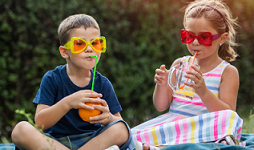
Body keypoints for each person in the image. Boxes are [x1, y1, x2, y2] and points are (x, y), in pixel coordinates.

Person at [128, 0, 243, 150]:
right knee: (130, 134)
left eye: (204, 37)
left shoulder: (227, 72)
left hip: (203, 127)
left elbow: (226, 114)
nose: (195, 42)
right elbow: (161, 106)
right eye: (189, 36)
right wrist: (161, 85)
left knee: (231, 117)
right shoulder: (180, 65)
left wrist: (203, 91)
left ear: (222, 38)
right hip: (175, 125)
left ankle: (160, 147)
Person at [11, 14, 131, 150]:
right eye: (80, 44)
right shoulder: (53, 78)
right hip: (55, 143)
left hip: (92, 143)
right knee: (20, 129)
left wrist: (107, 118)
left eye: (95, 43)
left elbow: (118, 122)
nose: (90, 49)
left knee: (122, 129)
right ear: (64, 52)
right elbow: (40, 122)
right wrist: (68, 103)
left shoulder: (102, 83)